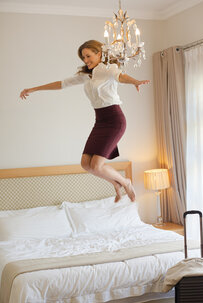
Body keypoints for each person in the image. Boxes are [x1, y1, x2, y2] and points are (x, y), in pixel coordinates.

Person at [20, 40, 150, 202]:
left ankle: (125, 182)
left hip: (115, 120)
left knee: (96, 165)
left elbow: (120, 77)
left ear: (99, 53)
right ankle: (116, 185)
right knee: (86, 164)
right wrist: (33, 89)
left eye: (88, 56)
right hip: (100, 121)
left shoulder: (109, 68)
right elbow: (62, 84)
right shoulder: (86, 75)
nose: (86, 60)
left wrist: (135, 82)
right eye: (83, 58)